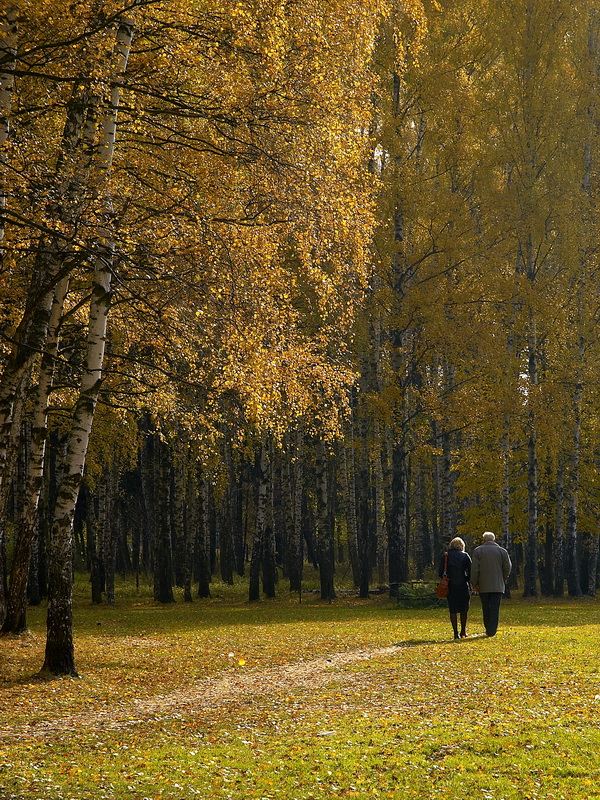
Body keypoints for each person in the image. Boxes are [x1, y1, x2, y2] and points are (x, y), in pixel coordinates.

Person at [471, 531, 512, 637]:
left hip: (483, 585)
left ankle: (488, 628)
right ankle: (492, 630)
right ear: (494, 539)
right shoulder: (502, 551)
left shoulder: (478, 551)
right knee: (495, 608)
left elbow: (475, 569)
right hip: (498, 585)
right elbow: (508, 567)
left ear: (484, 539)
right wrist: (504, 577)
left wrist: (474, 583)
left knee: (486, 607)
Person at [439, 537, 472, 640]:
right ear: (462, 546)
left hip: (451, 586)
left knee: (452, 609)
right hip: (462, 585)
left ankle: (455, 632)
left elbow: (440, 572)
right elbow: (471, 572)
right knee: (464, 609)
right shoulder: (465, 556)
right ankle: (463, 631)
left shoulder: (446, 556)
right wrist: (467, 579)